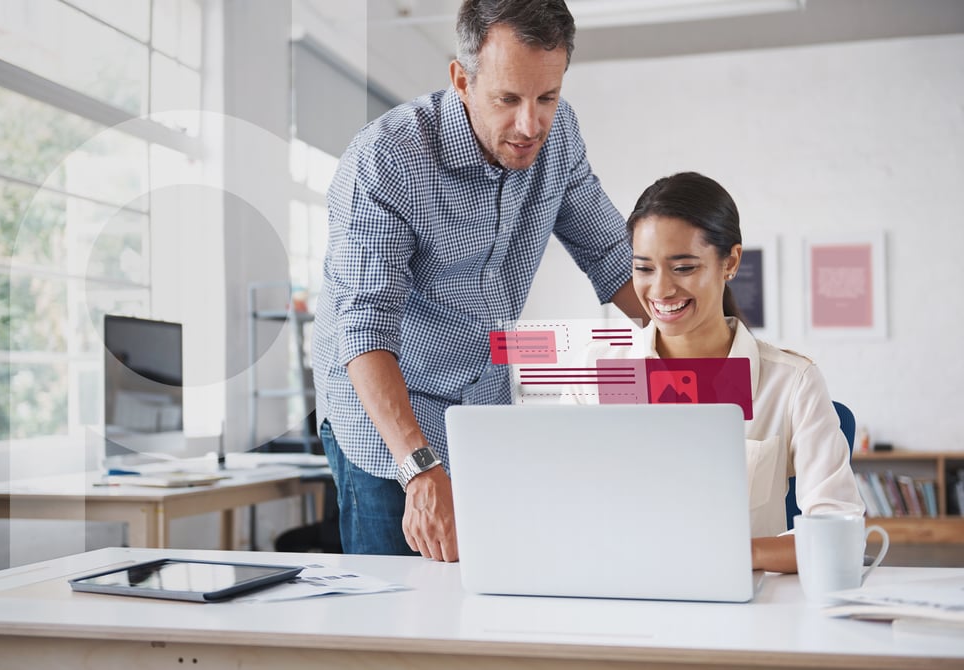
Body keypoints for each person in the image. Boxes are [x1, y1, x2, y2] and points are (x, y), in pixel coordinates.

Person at [311, 0, 645, 562]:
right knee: (396, 615)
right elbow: (364, 329)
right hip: (386, 415)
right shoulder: (387, 159)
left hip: (481, 408)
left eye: (547, 97)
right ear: (461, 80)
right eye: (508, 99)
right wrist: (420, 469)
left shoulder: (557, 137)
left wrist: (708, 354)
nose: (530, 125)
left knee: (483, 601)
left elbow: (612, 255)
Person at [568, 171, 864, 574]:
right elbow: (567, 509)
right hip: (621, 590)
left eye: (684, 267)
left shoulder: (791, 383)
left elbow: (839, 535)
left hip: (738, 600)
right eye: (644, 268)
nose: (660, 290)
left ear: (731, 262)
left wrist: (738, 553)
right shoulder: (597, 371)